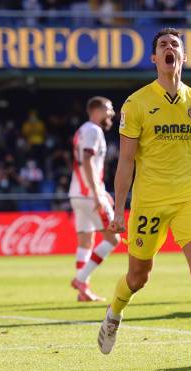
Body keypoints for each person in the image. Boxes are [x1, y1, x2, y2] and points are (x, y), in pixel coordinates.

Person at [97, 28, 191, 371]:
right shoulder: (136, 103)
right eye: (162, 45)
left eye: (175, 45)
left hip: (188, 199)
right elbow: (125, 161)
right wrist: (119, 208)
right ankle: (114, 313)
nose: (169, 49)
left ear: (183, 57)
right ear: (154, 58)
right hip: (149, 202)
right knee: (138, 277)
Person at [69, 97, 120, 302]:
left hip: (77, 194)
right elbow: (88, 162)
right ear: (96, 110)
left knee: (85, 242)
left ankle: (84, 291)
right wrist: (96, 192)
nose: (112, 113)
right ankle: (81, 279)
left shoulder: (82, 129)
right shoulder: (93, 130)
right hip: (89, 195)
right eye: (109, 109)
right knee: (113, 238)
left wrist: (101, 189)